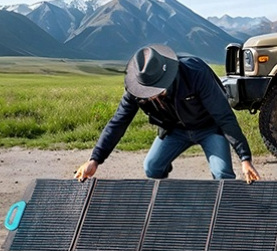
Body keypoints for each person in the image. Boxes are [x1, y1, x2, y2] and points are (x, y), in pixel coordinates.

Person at [74, 45, 260, 183]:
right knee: (151, 167)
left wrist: (245, 158)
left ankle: (227, 216)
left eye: (155, 91)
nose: (150, 97)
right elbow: (118, 123)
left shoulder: (195, 73)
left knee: (222, 175)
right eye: (146, 93)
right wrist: (94, 160)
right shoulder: (136, 87)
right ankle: (167, 206)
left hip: (209, 127)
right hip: (175, 130)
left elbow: (224, 116)